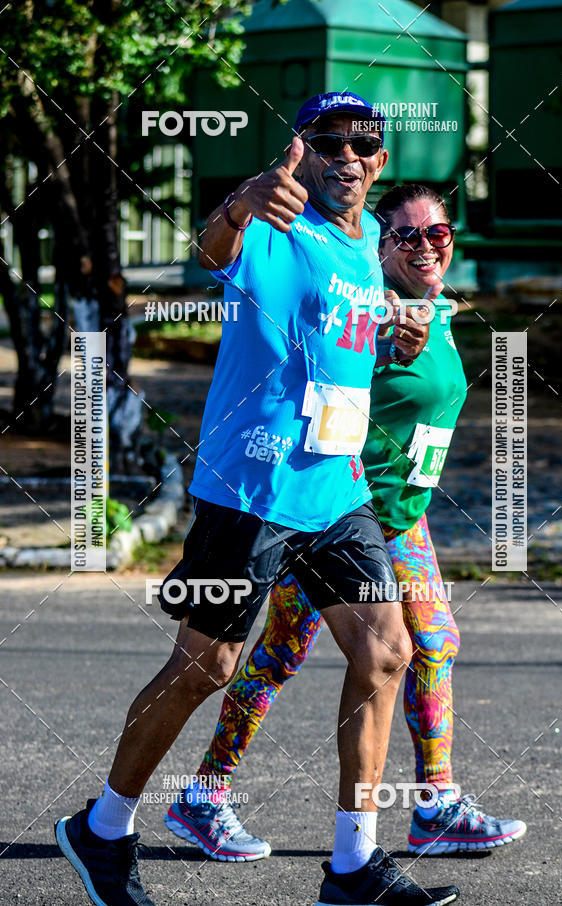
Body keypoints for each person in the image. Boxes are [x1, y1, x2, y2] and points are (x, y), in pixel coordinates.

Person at [55, 93, 459, 906]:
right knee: (208, 666)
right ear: (303, 152)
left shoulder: (359, 255)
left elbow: (342, 341)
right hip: (254, 486)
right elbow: (214, 249)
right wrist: (238, 202)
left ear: (379, 163)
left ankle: (351, 866)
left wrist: (393, 333)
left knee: (387, 653)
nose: (346, 154)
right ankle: (102, 828)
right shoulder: (277, 224)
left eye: (363, 144)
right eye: (329, 141)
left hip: (336, 490)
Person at [163, 184, 527, 864]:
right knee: (275, 654)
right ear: (379, 245)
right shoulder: (369, 313)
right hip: (339, 515)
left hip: (401, 518)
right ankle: (202, 795)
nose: (426, 247)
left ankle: (435, 806)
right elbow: (320, 369)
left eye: (438, 234)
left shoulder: (439, 310)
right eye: (408, 236)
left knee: (432, 644)